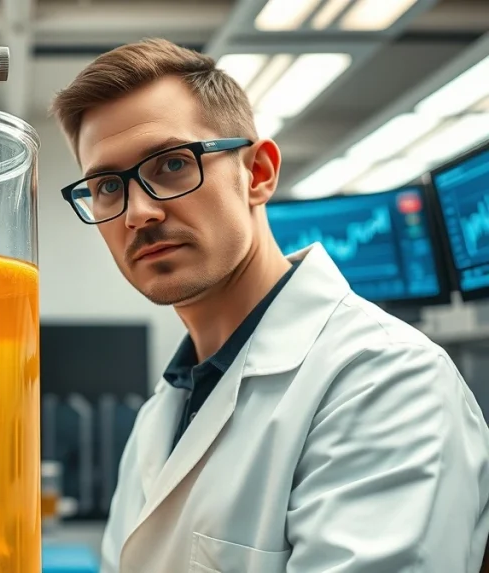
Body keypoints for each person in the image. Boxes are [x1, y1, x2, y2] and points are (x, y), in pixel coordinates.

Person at [48, 38, 489, 572]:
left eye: (169, 165)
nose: (136, 212)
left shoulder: (386, 381)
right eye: (107, 186)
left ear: (257, 174)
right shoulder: (161, 413)